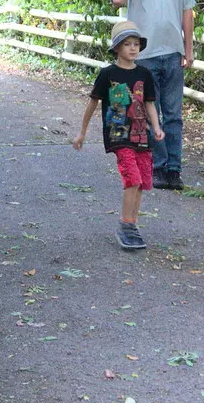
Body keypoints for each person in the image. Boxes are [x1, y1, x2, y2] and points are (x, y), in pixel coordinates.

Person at [109, 0, 195, 190]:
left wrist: (188, 48)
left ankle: (174, 170)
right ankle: (158, 168)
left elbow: (187, 10)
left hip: (172, 52)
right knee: (147, 114)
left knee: (173, 115)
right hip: (142, 54)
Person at [71, 20, 166, 250]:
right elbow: (93, 103)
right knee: (131, 178)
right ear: (117, 49)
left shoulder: (144, 74)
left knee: (143, 181)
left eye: (136, 44)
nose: (133, 48)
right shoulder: (107, 74)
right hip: (118, 134)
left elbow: (151, 103)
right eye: (127, 44)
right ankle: (125, 225)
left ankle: (132, 224)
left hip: (142, 135)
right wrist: (82, 132)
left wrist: (156, 127)